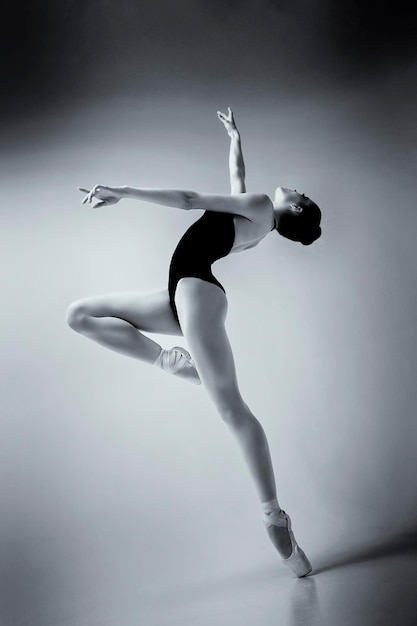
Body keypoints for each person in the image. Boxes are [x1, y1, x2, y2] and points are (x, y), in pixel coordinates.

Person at [67, 107, 321, 577]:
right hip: (179, 292)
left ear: (298, 208)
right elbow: (236, 179)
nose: (294, 187)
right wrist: (234, 137)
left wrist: (122, 192)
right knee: (80, 315)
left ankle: (274, 519)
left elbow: (188, 199)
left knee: (232, 409)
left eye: (301, 194)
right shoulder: (257, 220)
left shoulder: (264, 207)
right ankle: (169, 361)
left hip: (195, 292)